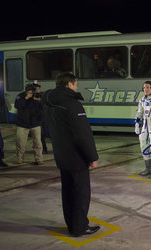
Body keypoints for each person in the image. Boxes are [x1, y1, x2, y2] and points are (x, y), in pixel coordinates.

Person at [42, 72, 100, 237]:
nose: (77, 87)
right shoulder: (72, 104)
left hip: (62, 156)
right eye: (75, 84)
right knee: (81, 194)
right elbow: (83, 134)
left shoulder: (49, 103)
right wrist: (92, 156)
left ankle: (71, 225)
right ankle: (80, 228)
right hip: (77, 159)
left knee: (67, 193)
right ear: (69, 84)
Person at [14, 83, 43, 165]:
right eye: (29, 91)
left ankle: (39, 159)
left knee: (37, 143)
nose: (31, 92)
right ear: (26, 91)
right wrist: (26, 98)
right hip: (23, 123)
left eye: (32, 91)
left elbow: (43, 106)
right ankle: (20, 158)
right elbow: (17, 105)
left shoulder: (37, 96)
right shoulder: (21, 96)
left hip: (35, 123)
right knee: (20, 143)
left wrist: (38, 100)